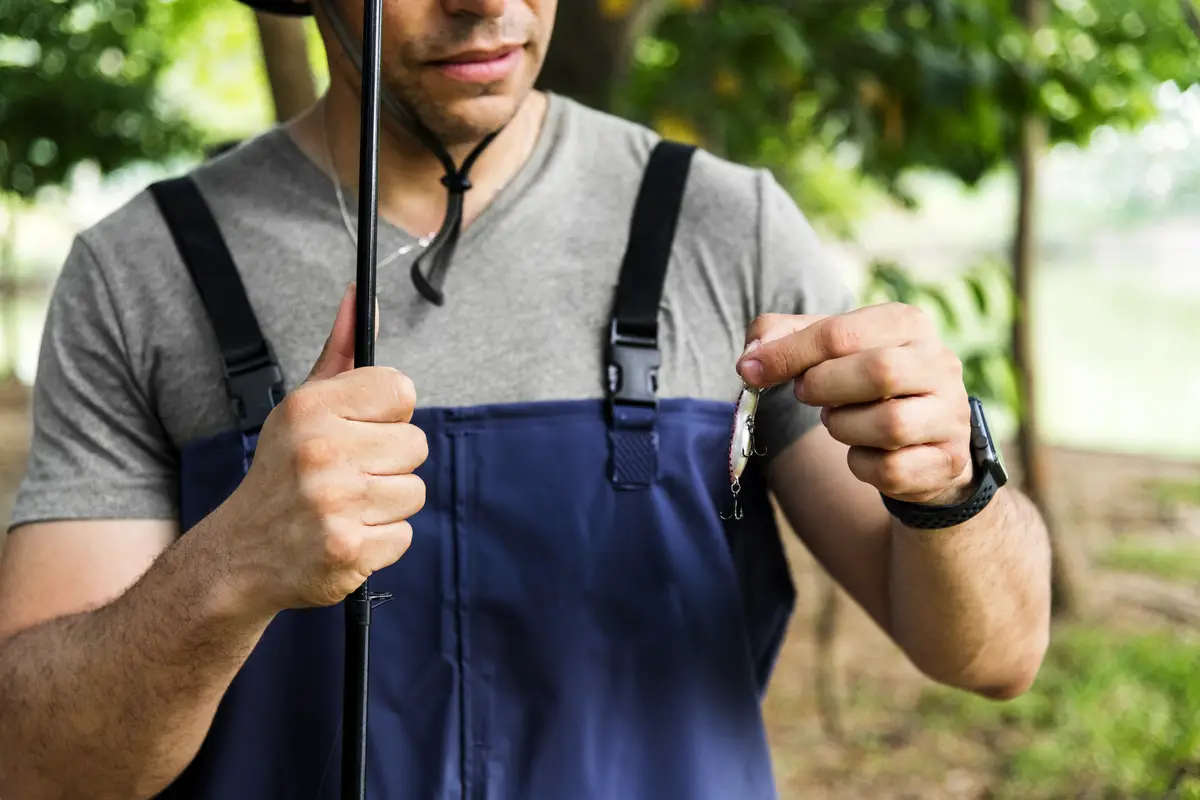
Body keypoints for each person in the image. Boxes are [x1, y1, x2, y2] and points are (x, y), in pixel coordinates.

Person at [0, 0, 1053, 798]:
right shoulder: (144, 269)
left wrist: (949, 483)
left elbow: (996, 654)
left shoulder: (726, 226)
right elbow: (35, 762)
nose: (484, 1)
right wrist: (230, 566)